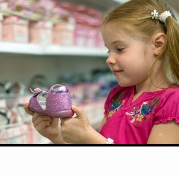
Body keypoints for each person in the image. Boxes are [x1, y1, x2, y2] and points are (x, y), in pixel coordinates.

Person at [24, 0, 179, 144]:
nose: (109, 59)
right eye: (108, 51)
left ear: (158, 45)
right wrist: (57, 136)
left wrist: (91, 139)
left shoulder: (172, 102)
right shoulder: (118, 95)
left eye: (119, 49)